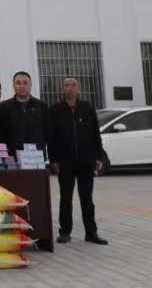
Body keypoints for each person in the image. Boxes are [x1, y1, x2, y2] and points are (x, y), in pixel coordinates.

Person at [49, 78, 108, 245]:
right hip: (65, 162)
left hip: (86, 160)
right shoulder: (55, 110)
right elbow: (51, 138)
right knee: (65, 198)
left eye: (73, 85)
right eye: (66, 85)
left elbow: (95, 133)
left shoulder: (87, 108)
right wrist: (54, 160)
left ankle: (91, 233)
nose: (70, 88)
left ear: (78, 89)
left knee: (87, 198)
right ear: (62, 89)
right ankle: (64, 232)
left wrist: (99, 156)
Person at [0, 71, 49, 155]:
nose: (22, 86)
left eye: (25, 83)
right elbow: (1, 133)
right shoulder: (4, 107)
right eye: (18, 83)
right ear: (13, 85)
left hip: (36, 157)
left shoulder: (42, 106)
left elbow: (48, 132)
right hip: (12, 157)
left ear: (30, 85)